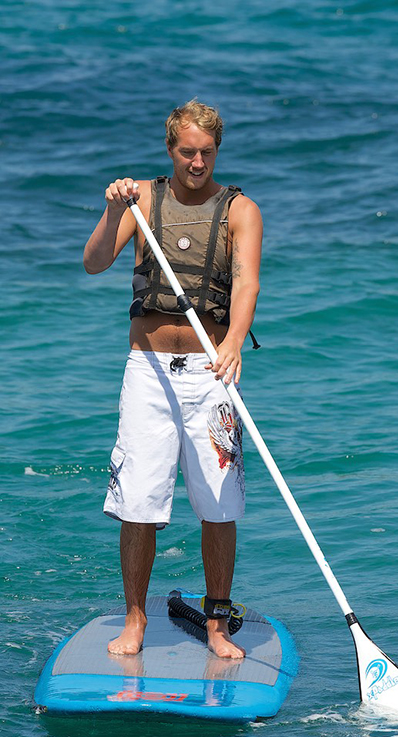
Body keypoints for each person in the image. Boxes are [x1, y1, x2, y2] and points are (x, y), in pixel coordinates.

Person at [83, 100, 262, 660]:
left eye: (207, 152)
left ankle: (216, 622)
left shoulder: (241, 211)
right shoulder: (140, 198)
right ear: (170, 149)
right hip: (148, 372)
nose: (197, 162)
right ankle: (135, 618)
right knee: (138, 500)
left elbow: (247, 285)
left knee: (219, 503)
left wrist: (233, 341)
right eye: (188, 152)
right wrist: (113, 212)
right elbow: (93, 262)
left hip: (212, 372)